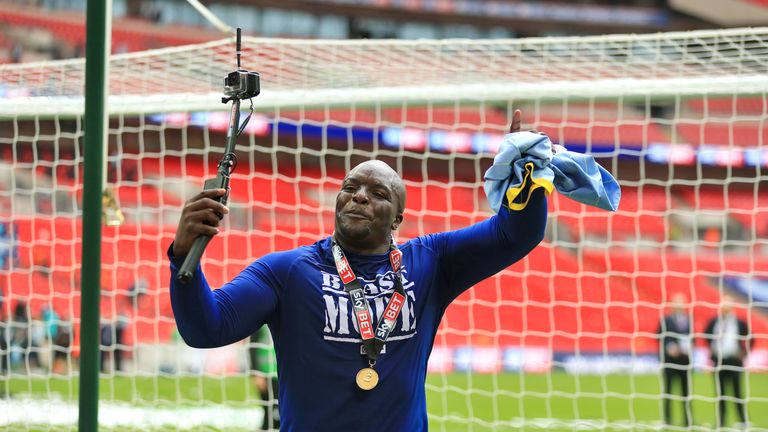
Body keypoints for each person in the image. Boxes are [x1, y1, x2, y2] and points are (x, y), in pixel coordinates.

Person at [169, 110, 549, 430]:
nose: (360, 196)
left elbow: (515, 234)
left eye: (378, 193)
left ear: (397, 218)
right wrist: (183, 255)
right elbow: (206, 328)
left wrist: (525, 168)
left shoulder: (431, 262)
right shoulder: (286, 271)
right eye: (350, 187)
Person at [703, 295, 753, 429]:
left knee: (737, 393)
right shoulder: (713, 322)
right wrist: (713, 352)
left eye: (728, 304)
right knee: (720, 394)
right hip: (719, 362)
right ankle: (721, 421)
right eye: (723, 304)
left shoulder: (739, 322)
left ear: (732, 307)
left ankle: (743, 421)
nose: (725, 307)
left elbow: (750, 338)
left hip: (734, 361)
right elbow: (706, 337)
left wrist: (744, 352)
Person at [656, 293, 693, 427]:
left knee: (686, 393)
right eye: (676, 302)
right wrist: (670, 347)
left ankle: (687, 420)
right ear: (672, 304)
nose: (679, 305)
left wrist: (688, 347)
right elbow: (659, 336)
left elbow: (692, 338)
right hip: (669, 361)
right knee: (668, 392)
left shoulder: (689, 319)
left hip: (685, 361)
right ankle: (667, 420)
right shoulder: (665, 320)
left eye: (681, 302)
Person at [249, 326, 279, 430]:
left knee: (282, 413)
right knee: (269, 413)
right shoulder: (260, 318)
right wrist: (255, 372)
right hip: (266, 372)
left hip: (284, 372)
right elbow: (252, 345)